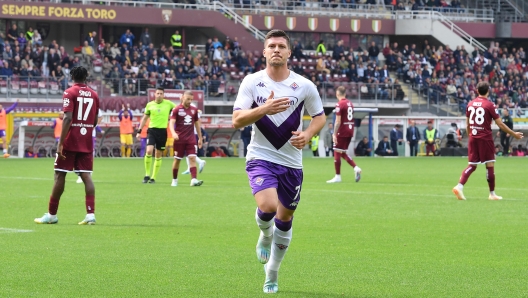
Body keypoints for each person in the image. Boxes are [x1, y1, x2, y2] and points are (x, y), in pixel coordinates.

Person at [232, 29, 326, 294]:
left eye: (281, 46)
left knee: (285, 219)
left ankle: (272, 271)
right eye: (271, 45)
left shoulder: (305, 86)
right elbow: (237, 120)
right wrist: (264, 109)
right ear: (264, 52)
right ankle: (264, 234)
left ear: (289, 52)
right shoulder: (252, 82)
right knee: (268, 206)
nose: (276, 50)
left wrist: (308, 134)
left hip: (292, 164)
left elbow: (319, 116)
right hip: (261, 157)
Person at [34, 66, 100, 225]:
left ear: (72, 77)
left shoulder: (69, 92)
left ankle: (51, 215)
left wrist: (61, 143)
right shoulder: (94, 94)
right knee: (86, 176)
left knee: (59, 175)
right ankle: (90, 214)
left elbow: (68, 118)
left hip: (70, 140)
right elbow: (95, 120)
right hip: (86, 140)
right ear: (86, 77)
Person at [452, 81, 523, 201]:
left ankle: (459, 186)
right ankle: (492, 194)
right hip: (485, 138)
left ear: (477, 91)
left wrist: (470, 136)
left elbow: (468, 123)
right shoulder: (489, 105)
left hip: (473, 137)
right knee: (490, 165)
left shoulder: (470, 104)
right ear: (488, 91)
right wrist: (513, 134)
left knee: (472, 165)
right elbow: (500, 123)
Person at [136, 87, 176, 184]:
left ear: (163, 95)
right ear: (154, 94)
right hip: (152, 130)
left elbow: (179, 109)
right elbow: (145, 118)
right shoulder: (149, 105)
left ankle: (153, 177)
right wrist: (139, 131)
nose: (159, 95)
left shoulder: (169, 104)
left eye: (161, 93)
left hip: (162, 131)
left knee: (158, 154)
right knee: (149, 150)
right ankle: (146, 175)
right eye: (157, 93)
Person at [327, 86, 362, 183]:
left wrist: (334, 134)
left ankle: (337, 176)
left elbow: (338, 121)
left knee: (336, 151)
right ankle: (356, 168)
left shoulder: (339, 104)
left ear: (337, 94)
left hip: (342, 130)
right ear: (345, 94)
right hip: (351, 130)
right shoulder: (350, 103)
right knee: (342, 152)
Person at [169, 91, 204, 187]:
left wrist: (200, 138)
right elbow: (171, 123)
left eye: (191, 99)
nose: (190, 101)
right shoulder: (176, 109)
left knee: (192, 158)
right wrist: (173, 133)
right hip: (179, 139)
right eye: (188, 99)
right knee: (177, 160)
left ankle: (193, 179)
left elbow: (197, 124)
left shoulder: (194, 110)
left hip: (190, 139)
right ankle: (174, 180)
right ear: (183, 98)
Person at [182, 107, 206, 175]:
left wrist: (199, 138)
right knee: (187, 152)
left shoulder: (195, 118)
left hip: (192, 135)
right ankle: (189, 168)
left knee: (190, 152)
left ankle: (200, 162)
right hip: (190, 134)